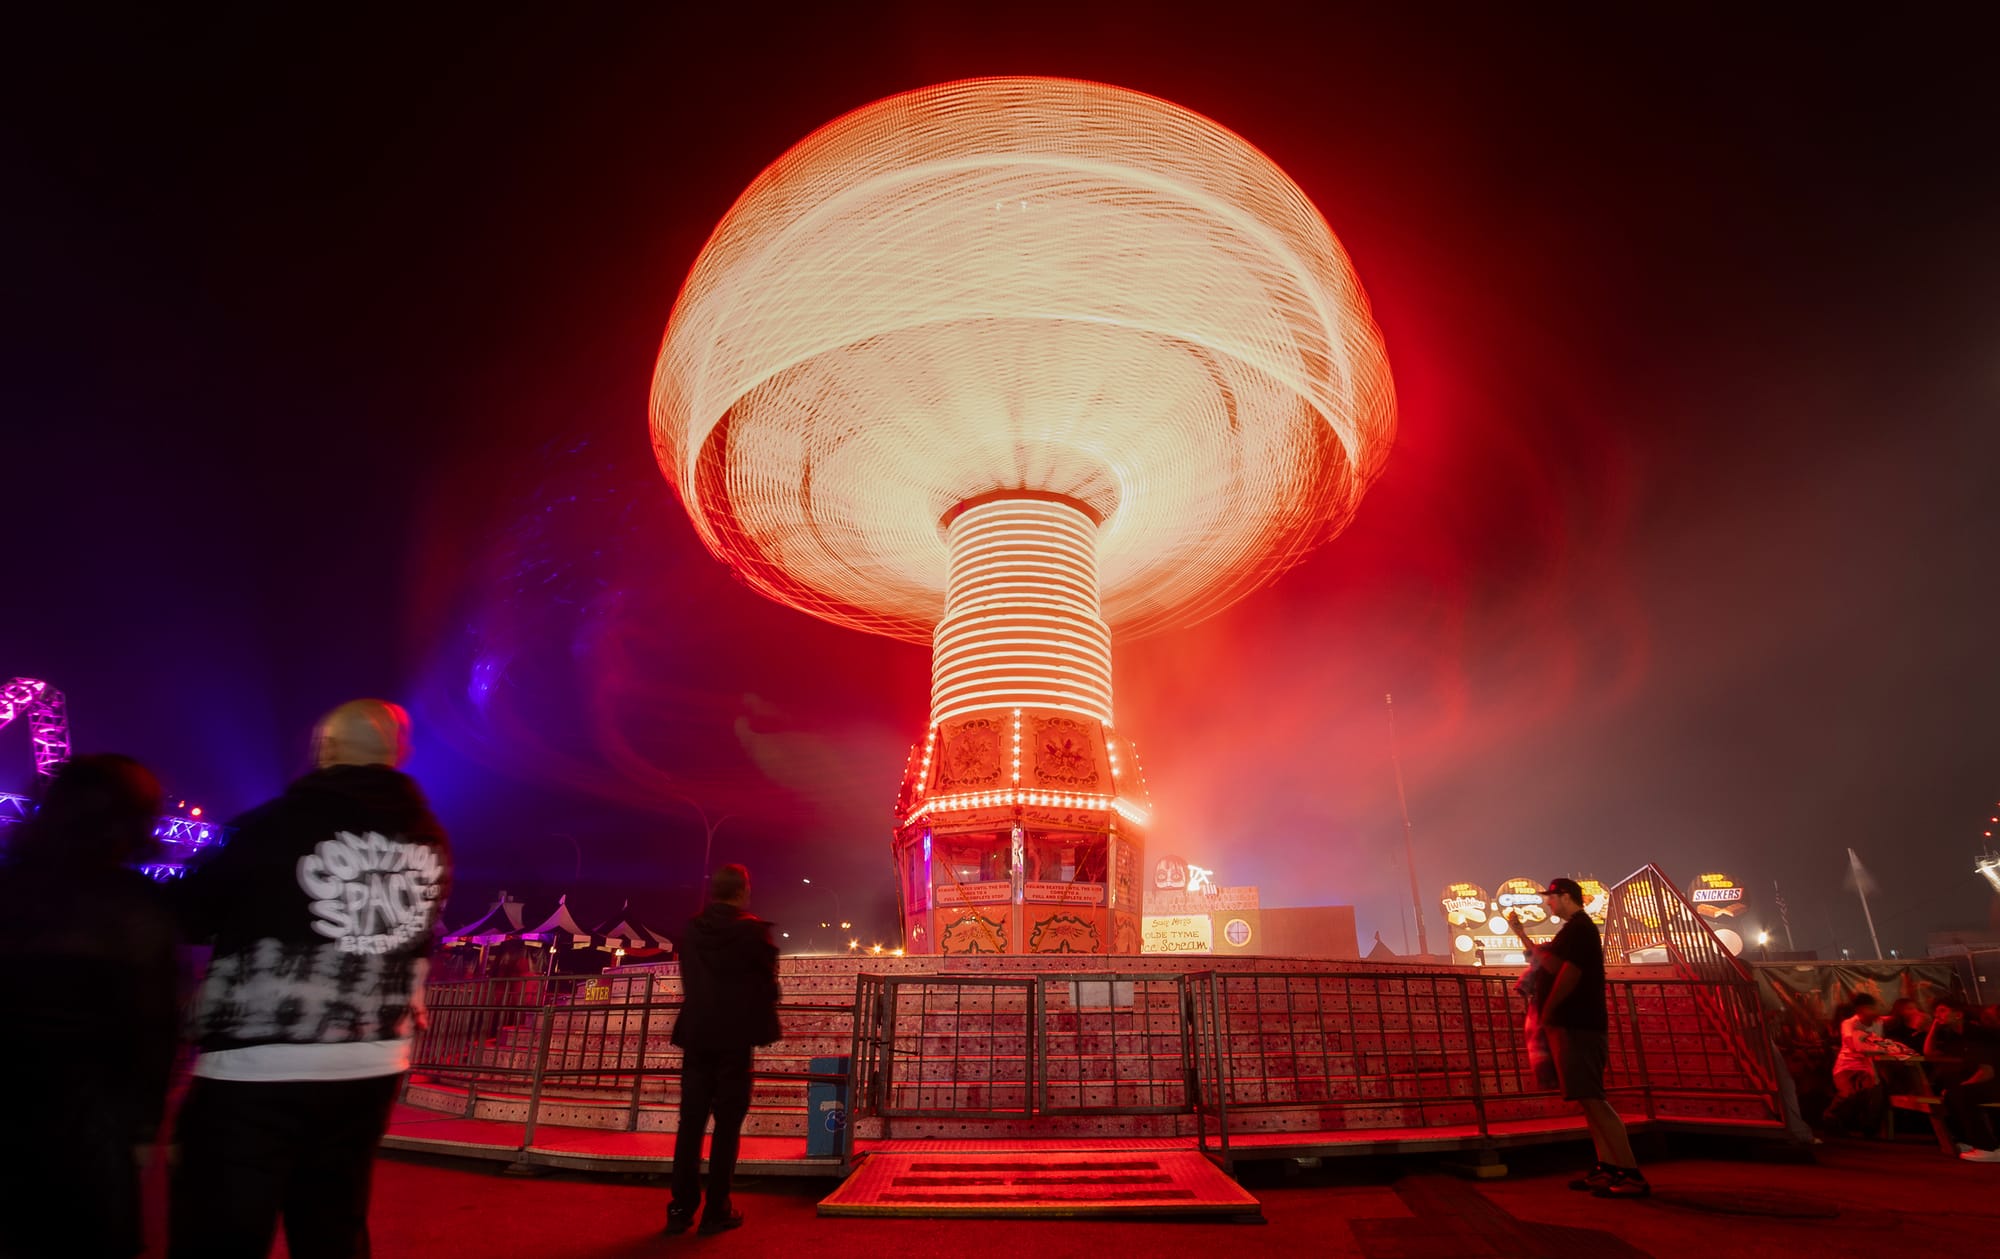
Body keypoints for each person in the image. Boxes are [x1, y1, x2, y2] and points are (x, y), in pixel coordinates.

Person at [170, 700, 452, 1259]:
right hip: (373, 1057)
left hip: (259, 1059)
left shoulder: (271, 825)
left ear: (324, 749)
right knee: (332, 1221)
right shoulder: (432, 839)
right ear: (399, 754)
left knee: (222, 1227)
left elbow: (192, 913)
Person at [0, 755, 179, 1258]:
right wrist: (145, 1128)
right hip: (92, 1116)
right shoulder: (137, 904)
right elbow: (153, 1024)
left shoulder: (9, 890)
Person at [666, 863, 782, 1237]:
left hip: (697, 1034)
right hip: (733, 1040)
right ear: (743, 890)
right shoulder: (752, 933)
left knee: (690, 1124)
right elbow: (766, 987)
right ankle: (717, 1209)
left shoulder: (692, 930)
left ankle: (680, 1208)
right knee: (727, 1127)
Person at [1532, 877, 1648, 1198]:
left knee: (1595, 1100)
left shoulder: (1581, 928)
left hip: (1579, 1023)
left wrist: (1549, 1008)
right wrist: (1521, 937)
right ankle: (1608, 1167)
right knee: (1587, 1099)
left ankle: (1631, 1173)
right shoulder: (1574, 930)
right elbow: (1554, 965)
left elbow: (1570, 973)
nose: (1547, 903)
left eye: (1551, 898)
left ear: (1566, 896)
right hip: (1573, 1024)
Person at [1825, 993, 1915, 1137]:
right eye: (1871, 1008)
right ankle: (1831, 1117)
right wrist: (1870, 1047)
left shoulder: (1878, 1023)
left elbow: (1890, 1022)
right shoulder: (1849, 1023)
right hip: (1848, 1066)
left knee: (1876, 1092)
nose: (1875, 1011)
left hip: (1868, 1067)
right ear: (1861, 1010)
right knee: (1848, 1092)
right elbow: (1852, 1044)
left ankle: (1869, 1130)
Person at [1923, 999, 2000, 1162]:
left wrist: (1964, 1086)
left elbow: (1987, 1071)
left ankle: (1990, 1147)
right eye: (1936, 1011)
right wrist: (1934, 1027)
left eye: (1943, 1010)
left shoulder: (1976, 1033)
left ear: (1958, 1015)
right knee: (1950, 1093)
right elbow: (1929, 1053)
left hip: (1995, 1081)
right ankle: (1967, 1140)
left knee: (1963, 1093)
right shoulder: (1955, 1035)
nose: (1937, 1015)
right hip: (1988, 1081)